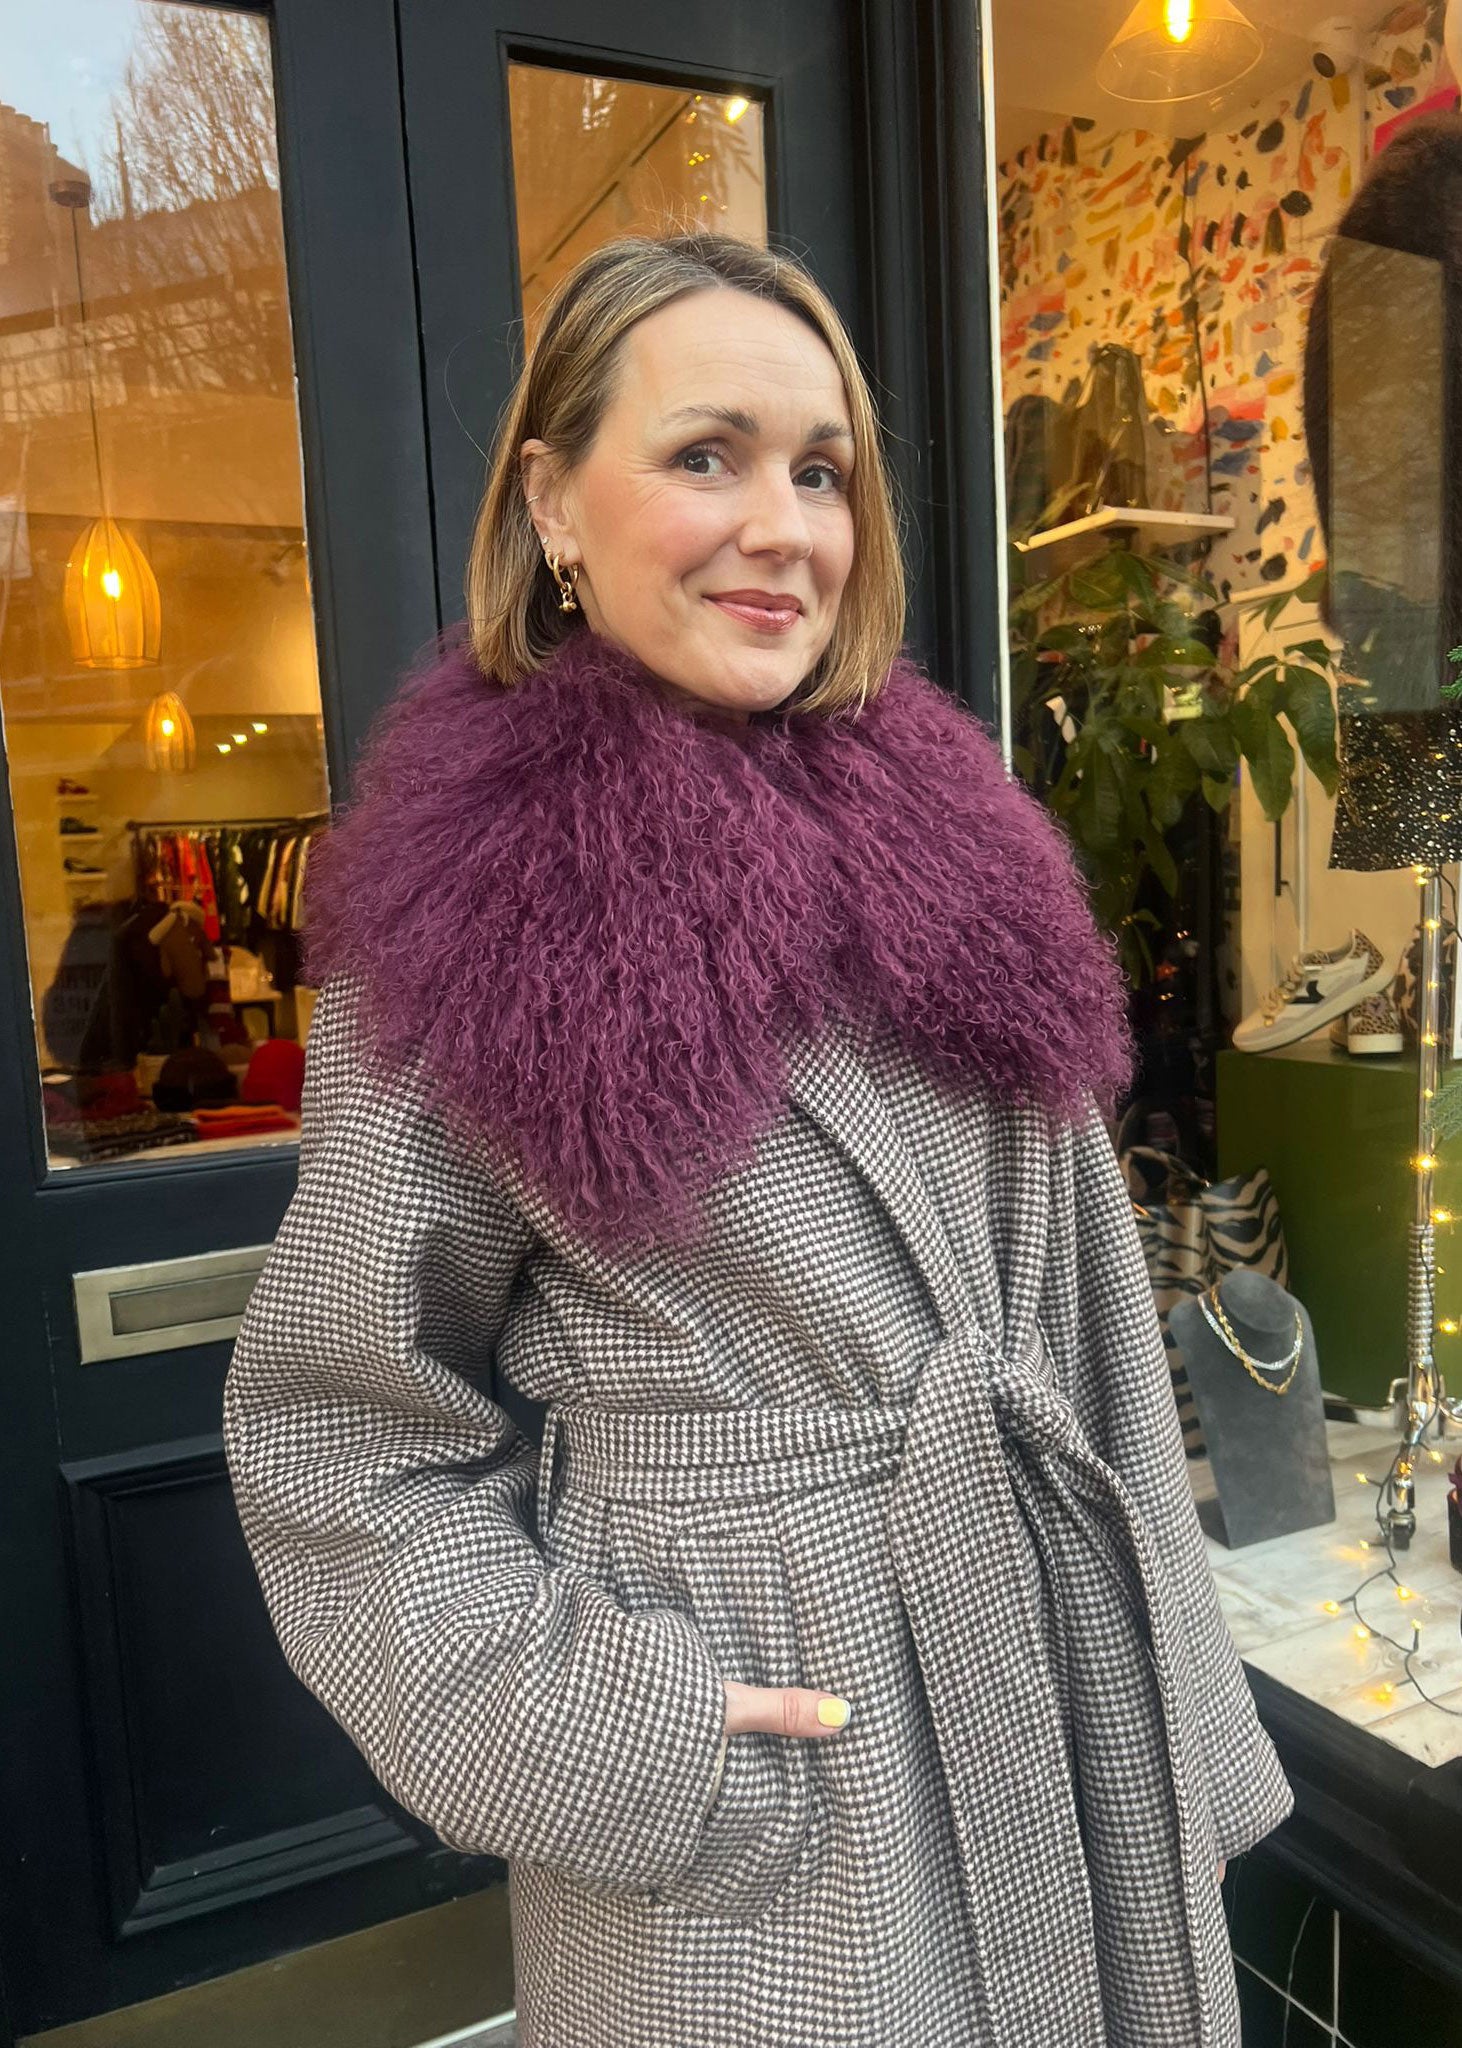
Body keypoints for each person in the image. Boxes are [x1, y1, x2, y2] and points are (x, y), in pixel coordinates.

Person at [222, 230, 1293, 2048]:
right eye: (705, 455)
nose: (782, 528)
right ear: (552, 504)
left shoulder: (964, 858)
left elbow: (1092, 1332)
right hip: (780, 1768)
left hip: (1051, 1686)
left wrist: (1177, 1718)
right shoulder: (472, 922)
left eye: (820, 470)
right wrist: (629, 1740)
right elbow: (340, 1434)